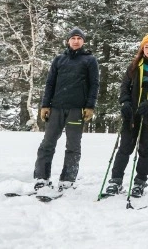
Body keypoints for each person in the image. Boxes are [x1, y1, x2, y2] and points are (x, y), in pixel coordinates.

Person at [103, 33, 148, 197]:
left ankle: (140, 182)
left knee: (145, 149)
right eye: (146, 46)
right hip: (132, 114)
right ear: (142, 48)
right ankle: (116, 180)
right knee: (125, 147)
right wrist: (125, 102)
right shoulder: (134, 66)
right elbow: (124, 87)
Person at [33, 27, 100, 193]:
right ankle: (42, 178)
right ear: (68, 41)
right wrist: (45, 105)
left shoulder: (90, 60)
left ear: (83, 41)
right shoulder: (59, 60)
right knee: (47, 144)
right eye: (73, 38)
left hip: (76, 109)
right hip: (56, 108)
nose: (76, 41)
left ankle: (67, 180)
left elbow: (94, 85)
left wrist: (90, 107)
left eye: (79, 38)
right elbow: (50, 83)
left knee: (73, 146)